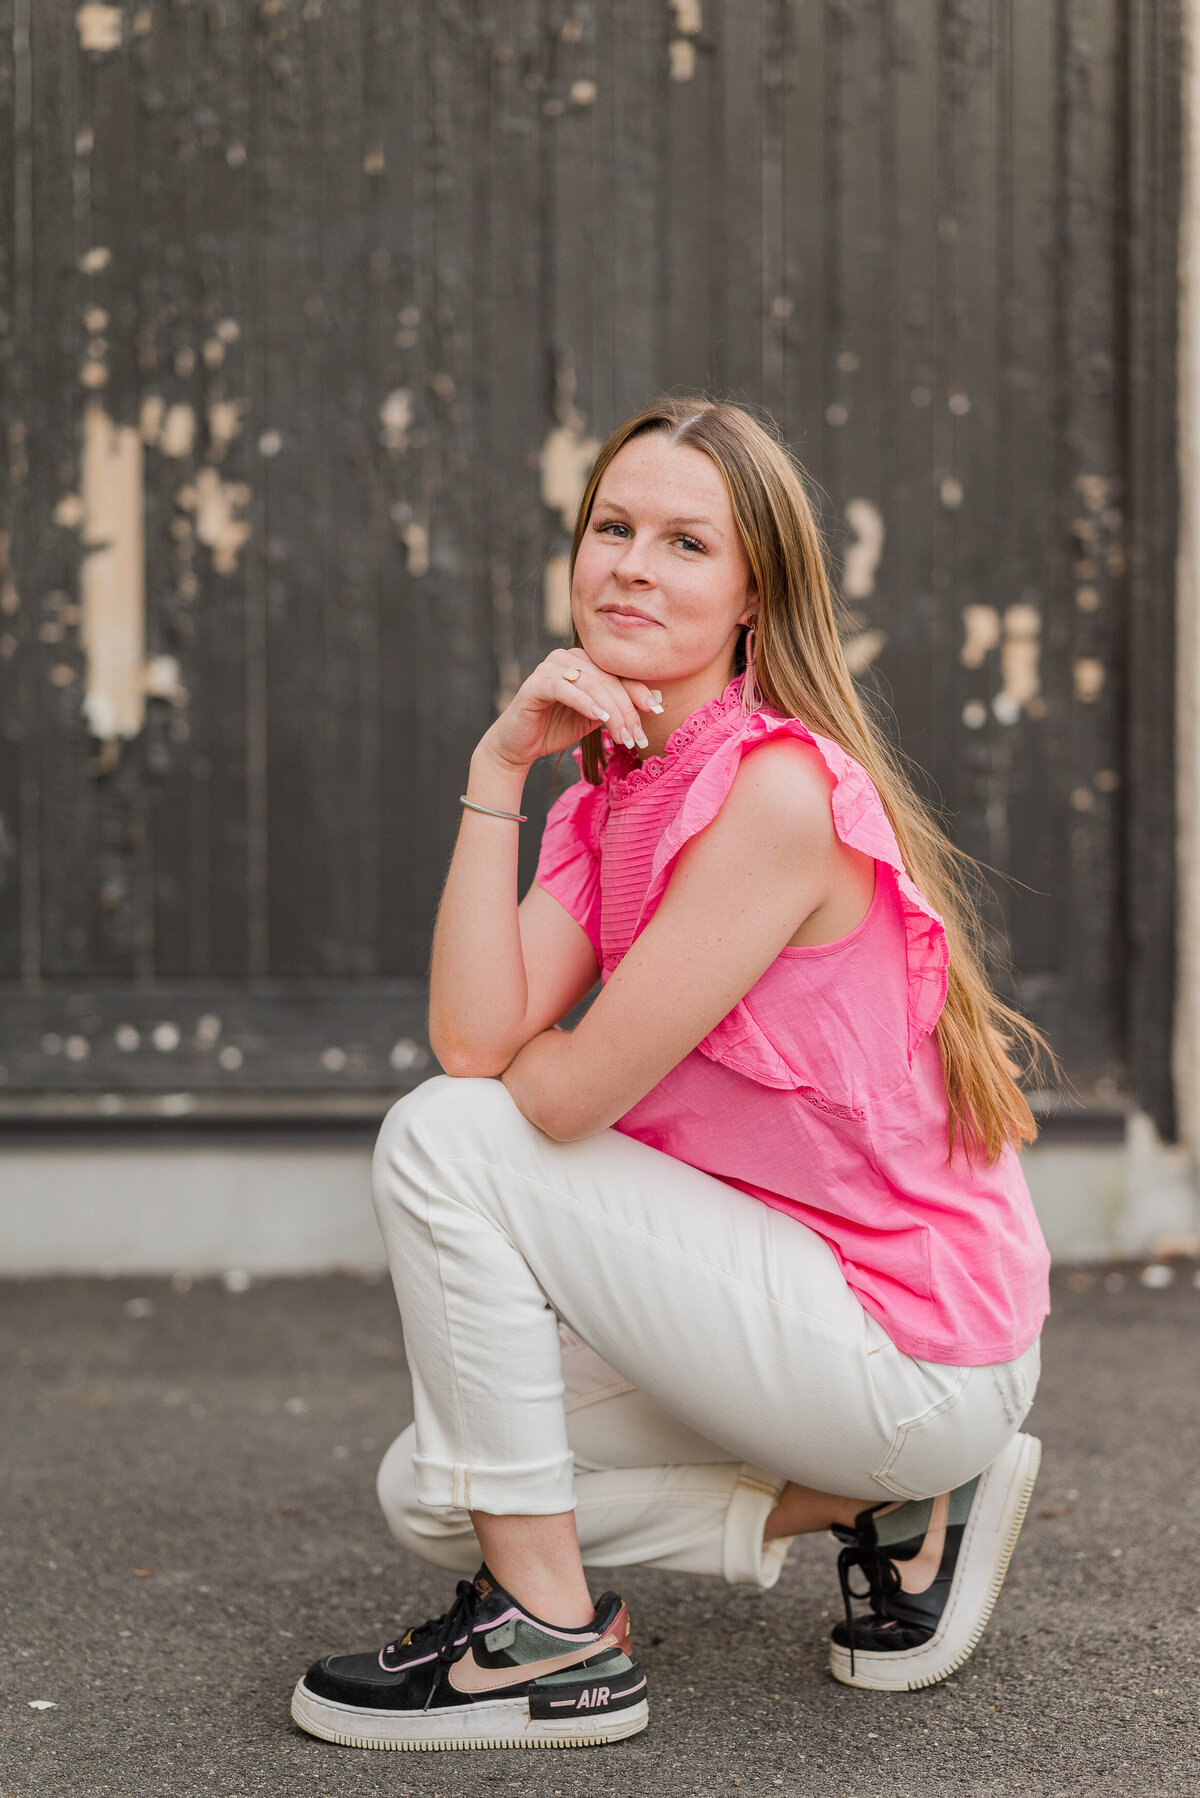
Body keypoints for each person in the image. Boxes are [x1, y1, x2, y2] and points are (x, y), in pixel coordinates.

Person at [291, 397, 1052, 1753]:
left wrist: (545, 1065)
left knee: (444, 1139)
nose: (632, 567)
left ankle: (550, 1642)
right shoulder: (614, 791)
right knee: (441, 1488)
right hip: (799, 1310)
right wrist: (498, 769)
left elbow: (546, 1099)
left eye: (686, 543)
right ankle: (884, 1504)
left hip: (907, 1343)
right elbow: (475, 1037)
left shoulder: (771, 795)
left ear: (755, 592)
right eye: (613, 529)